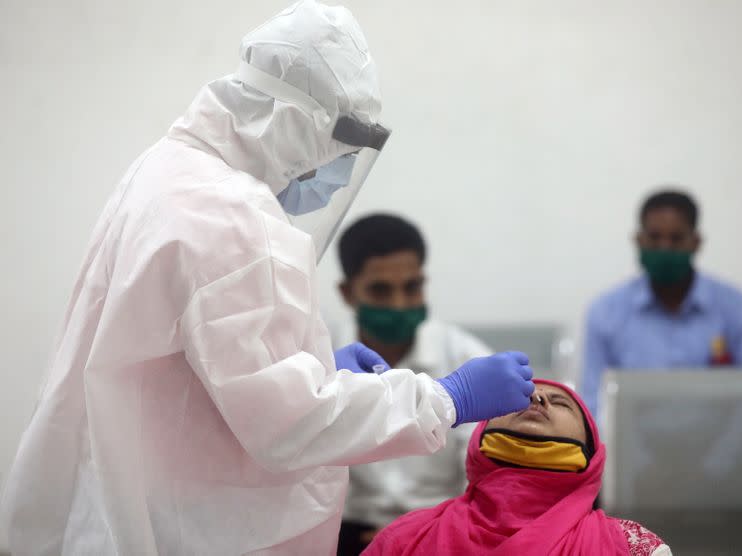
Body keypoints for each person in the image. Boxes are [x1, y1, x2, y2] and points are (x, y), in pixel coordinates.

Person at [0, 2, 535, 554]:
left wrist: (319, 371)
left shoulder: (168, 173)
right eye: (339, 151)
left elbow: (212, 368)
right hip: (189, 529)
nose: (336, 177)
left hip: (140, 502)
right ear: (299, 125)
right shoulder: (232, 217)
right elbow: (290, 424)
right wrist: (447, 398)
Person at [331, 214, 493, 555]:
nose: (399, 304)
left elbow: (487, 476)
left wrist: (420, 534)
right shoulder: (318, 359)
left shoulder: (467, 359)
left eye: (412, 287)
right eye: (380, 290)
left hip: (444, 533)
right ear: (347, 293)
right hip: (344, 536)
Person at [363, 379, 672, 555]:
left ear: (592, 452)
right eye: (520, 396)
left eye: (560, 402)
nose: (537, 398)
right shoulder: (404, 538)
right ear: (479, 431)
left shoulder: (633, 548)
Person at [581, 189, 742, 417]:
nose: (664, 248)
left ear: (696, 242)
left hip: (720, 447)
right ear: (639, 240)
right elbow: (594, 405)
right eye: (655, 237)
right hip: (631, 448)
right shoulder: (605, 313)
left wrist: (720, 454)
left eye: (676, 239)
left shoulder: (738, 310)